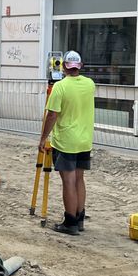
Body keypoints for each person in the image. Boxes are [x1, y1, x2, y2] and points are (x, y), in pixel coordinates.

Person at [38, 50, 95, 236]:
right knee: (79, 179)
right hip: (85, 140)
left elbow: (52, 114)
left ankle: (70, 221)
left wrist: (43, 137)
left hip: (66, 141)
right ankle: (79, 218)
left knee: (68, 181)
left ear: (63, 67)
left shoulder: (60, 87)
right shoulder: (90, 84)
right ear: (80, 66)